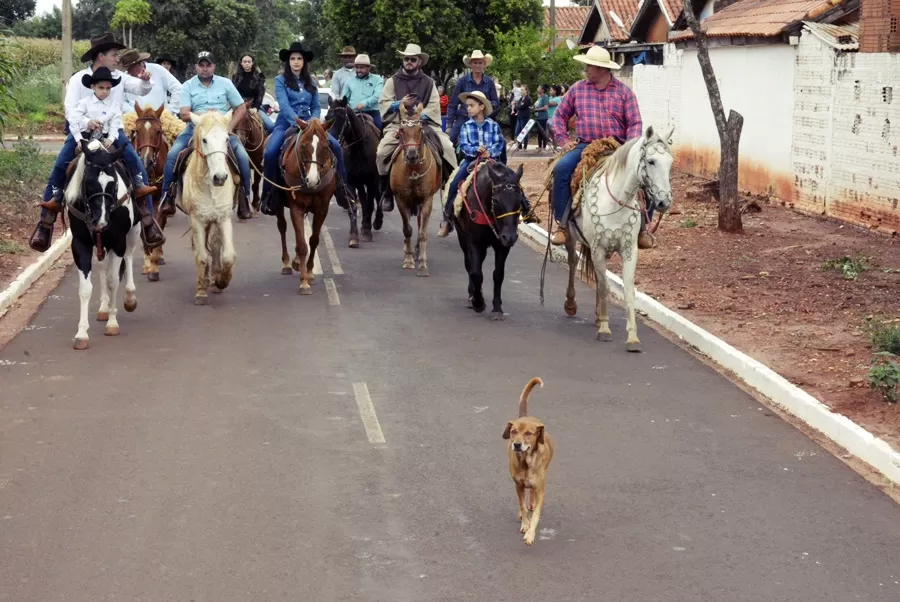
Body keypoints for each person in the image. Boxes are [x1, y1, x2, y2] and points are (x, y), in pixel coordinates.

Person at [29, 32, 162, 253]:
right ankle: (47, 220)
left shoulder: (118, 77)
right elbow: (70, 110)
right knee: (61, 166)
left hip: (113, 133)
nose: (117, 58)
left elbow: (141, 89)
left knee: (136, 163)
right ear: (101, 56)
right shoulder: (78, 79)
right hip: (82, 133)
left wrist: (147, 80)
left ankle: (148, 220)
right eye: (114, 54)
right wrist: (85, 126)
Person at [548, 46, 646, 247]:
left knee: (645, 176)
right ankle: (563, 225)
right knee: (561, 170)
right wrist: (564, 141)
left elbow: (635, 123)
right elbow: (559, 116)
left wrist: (629, 149)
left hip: (617, 147)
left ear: (602, 69)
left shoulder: (624, 93)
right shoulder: (577, 89)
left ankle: (643, 228)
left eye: (589, 66)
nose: (586, 69)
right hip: (586, 146)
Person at [259, 42, 355, 216]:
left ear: (304, 62)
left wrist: (313, 121)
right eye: (293, 58)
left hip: (311, 125)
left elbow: (316, 106)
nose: (296, 62)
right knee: (270, 152)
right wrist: (297, 122)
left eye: (299, 59)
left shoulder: (310, 81)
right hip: (286, 122)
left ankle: (343, 189)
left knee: (337, 147)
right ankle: (268, 194)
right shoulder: (281, 81)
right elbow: (285, 105)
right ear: (288, 62)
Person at [159, 51, 254, 220]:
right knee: (174, 154)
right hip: (196, 129)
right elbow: (184, 114)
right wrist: (203, 116)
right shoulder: (188, 85)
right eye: (201, 65)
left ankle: (245, 197)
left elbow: (241, 107)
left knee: (242, 155)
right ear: (196, 66)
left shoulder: (225, 83)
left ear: (214, 66)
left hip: (221, 130)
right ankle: (168, 196)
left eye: (208, 65)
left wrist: (229, 127)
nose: (204, 69)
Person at [376, 43, 458, 212]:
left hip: (425, 125)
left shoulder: (429, 82)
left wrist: (419, 118)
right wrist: (400, 104)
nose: (409, 62)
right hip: (399, 125)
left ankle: (450, 190)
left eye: (413, 59)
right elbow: (384, 103)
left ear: (419, 62)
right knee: (381, 152)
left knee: (449, 148)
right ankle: (386, 192)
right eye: (406, 59)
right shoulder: (393, 81)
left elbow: (434, 106)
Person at [437, 91, 504, 238]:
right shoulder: (466, 126)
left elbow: (499, 143)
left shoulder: (493, 125)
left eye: (471, 106)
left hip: (491, 161)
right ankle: (447, 219)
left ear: (481, 107)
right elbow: (464, 146)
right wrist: (476, 150)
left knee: (509, 181)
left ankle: (521, 211)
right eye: (467, 106)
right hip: (470, 161)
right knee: (454, 184)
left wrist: (489, 153)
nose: (468, 108)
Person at [445, 50, 500, 146]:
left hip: (484, 118)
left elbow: (496, 103)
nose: (478, 65)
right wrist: (449, 126)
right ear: (471, 64)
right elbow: (453, 104)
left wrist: (485, 109)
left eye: (480, 63)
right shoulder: (463, 81)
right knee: (449, 143)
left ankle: (499, 161)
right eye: (475, 63)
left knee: (498, 141)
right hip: (464, 117)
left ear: (484, 64)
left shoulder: (489, 82)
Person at [69, 67, 123, 147]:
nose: (105, 91)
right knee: (67, 151)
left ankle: (138, 159)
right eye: (101, 88)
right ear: (93, 87)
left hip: (105, 136)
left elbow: (115, 122)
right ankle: (60, 160)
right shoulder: (85, 102)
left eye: (108, 88)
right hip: (84, 135)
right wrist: (80, 136)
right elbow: (73, 118)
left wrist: (111, 138)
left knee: (126, 148)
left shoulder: (114, 105)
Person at [120, 48, 182, 116]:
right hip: (134, 120)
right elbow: (121, 100)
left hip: (160, 119)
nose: (128, 71)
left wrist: (170, 110)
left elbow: (178, 88)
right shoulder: (125, 77)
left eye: (129, 68)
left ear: (139, 64)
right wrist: (133, 113)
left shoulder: (158, 70)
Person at [231, 53, 274, 133]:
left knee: (271, 126)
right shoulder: (236, 76)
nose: (247, 63)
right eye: (244, 61)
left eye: (249, 61)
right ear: (241, 63)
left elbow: (261, 93)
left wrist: (256, 107)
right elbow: (232, 92)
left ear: (252, 63)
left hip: (254, 105)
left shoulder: (259, 76)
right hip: (238, 105)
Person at [341, 54, 383, 129]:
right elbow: (344, 98)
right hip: (353, 112)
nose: (359, 70)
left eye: (362, 67)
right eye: (357, 67)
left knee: (381, 128)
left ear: (368, 68)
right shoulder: (350, 81)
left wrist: (364, 103)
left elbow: (377, 95)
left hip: (372, 112)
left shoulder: (377, 79)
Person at [533, 84, 550, 151]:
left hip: (543, 117)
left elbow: (545, 107)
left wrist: (537, 110)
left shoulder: (545, 97)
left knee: (543, 131)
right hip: (538, 117)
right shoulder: (539, 97)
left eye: (539, 87)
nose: (537, 89)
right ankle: (539, 146)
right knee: (539, 132)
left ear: (542, 90)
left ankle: (544, 146)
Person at [515, 85, 532, 150]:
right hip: (519, 116)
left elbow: (522, 106)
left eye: (523, 90)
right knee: (517, 131)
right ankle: (519, 146)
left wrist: (518, 106)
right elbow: (517, 106)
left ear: (526, 91)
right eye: (521, 90)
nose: (521, 91)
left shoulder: (528, 99)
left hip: (525, 116)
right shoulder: (520, 98)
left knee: (524, 131)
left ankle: (525, 146)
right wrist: (518, 106)